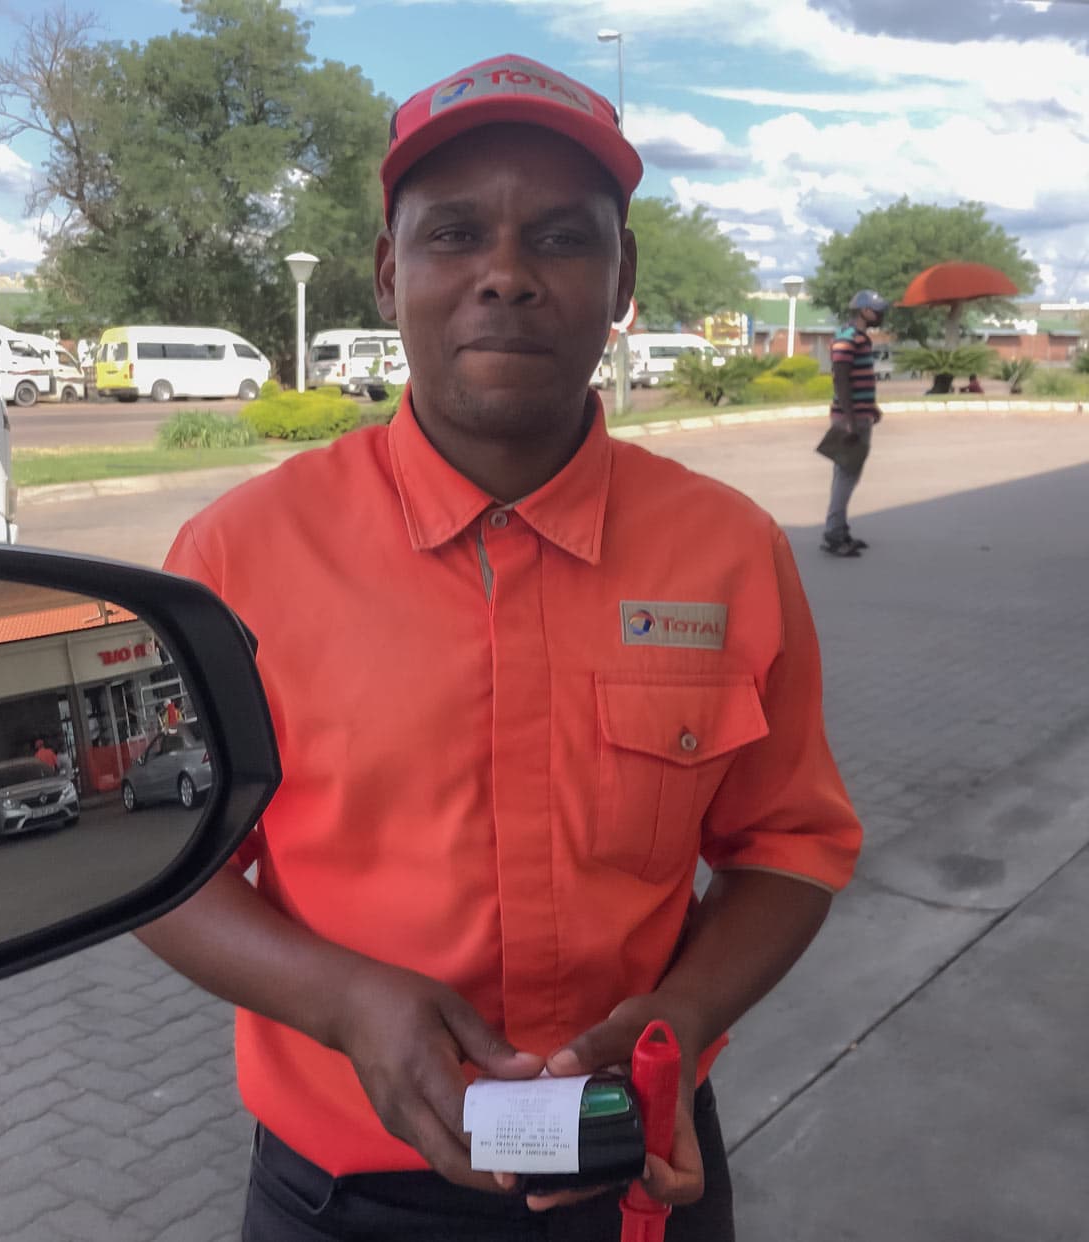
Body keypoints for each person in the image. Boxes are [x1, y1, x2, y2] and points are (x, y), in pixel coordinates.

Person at [136, 52, 862, 1242]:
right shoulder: (235, 558)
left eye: (564, 240)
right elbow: (163, 867)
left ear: (621, 279)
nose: (508, 278)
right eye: (455, 234)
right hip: (345, 1201)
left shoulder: (728, 552)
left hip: (642, 1180)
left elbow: (791, 845)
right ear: (387, 273)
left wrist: (679, 1011)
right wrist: (340, 1001)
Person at [823, 289, 890, 558]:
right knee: (847, 476)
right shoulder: (848, 338)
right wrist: (850, 420)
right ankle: (835, 534)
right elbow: (840, 378)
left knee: (844, 474)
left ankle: (837, 526)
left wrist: (870, 406)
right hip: (851, 420)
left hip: (859, 415)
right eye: (877, 310)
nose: (881, 315)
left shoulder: (859, 338)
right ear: (864, 311)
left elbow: (855, 378)